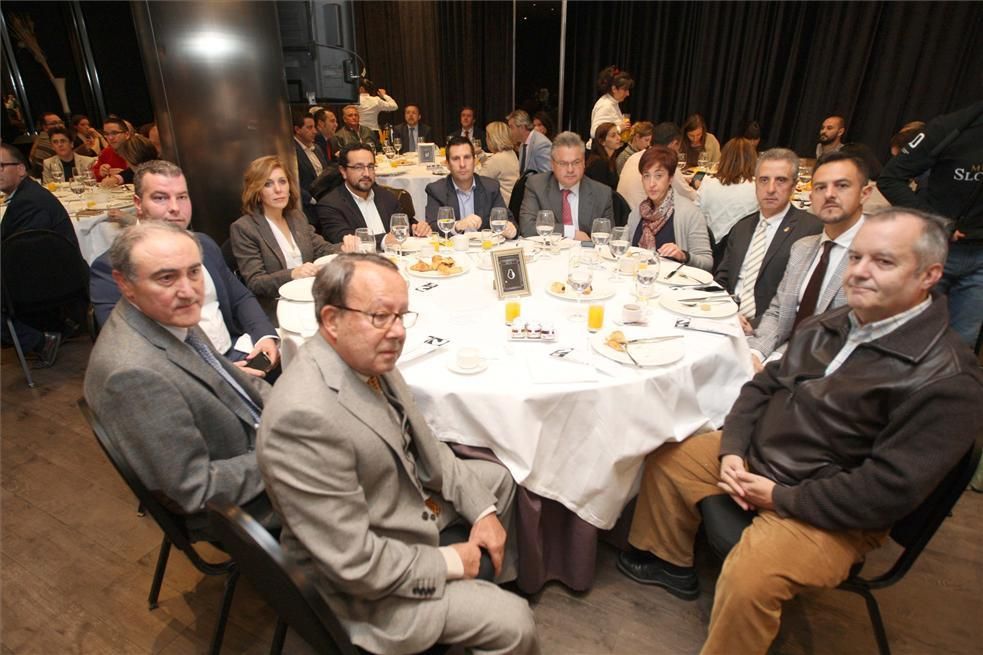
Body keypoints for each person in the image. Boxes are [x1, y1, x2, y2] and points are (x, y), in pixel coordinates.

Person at [617, 207, 982, 655]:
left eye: (883, 262)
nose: (859, 273)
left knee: (750, 577)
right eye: (856, 258)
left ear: (930, 276)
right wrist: (733, 449)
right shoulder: (835, 321)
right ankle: (669, 562)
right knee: (669, 457)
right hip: (765, 460)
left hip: (830, 507)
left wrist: (780, 497)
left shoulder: (946, 380)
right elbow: (761, 388)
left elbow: (887, 491)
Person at [257, 253, 539, 655]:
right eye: (380, 316)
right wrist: (453, 562)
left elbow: (430, 448)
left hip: (400, 506)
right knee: (516, 625)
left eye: (402, 316)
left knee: (498, 483)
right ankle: (478, 606)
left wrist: (482, 512)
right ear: (332, 320)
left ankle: (484, 590)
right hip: (366, 591)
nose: (397, 332)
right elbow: (353, 563)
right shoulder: (302, 417)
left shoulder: (368, 354)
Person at [85, 222, 278, 536]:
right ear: (125, 283)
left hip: (252, 445)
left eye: (194, 272)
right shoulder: (132, 374)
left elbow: (233, 381)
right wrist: (283, 455)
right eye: (166, 277)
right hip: (244, 511)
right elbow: (192, 489)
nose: (189, 290)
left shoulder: (165, 315)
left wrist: (288, 414)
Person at [90, 160, 279, 371]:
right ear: (138, 203)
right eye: (160, 198)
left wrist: (264, 335)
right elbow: (128, 351)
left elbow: (240, 298)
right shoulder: (112, 266)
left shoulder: (204, 243)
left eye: (182, 197)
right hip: (185, 374)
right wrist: (222, 377)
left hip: (235, 350)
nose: (174, 208)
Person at [747, 151, 872, 368]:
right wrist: (756, 354)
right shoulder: (803, 248)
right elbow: (778, 312)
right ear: (810, 196)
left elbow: (867, 338)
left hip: (831, 371)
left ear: (865, 193)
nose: (829, 195)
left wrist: (784, 372)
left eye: (842, 185)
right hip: (782, 354)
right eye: (820, 187)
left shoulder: (878, 254)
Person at [878, 100, 983, 349]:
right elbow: (891, 179)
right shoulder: (950, 128)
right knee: (908, 337)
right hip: (937, 251)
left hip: (980, 261)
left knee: (960, 346)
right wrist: (936, 222)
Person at [714, 148, 822, 327]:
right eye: (764, 180)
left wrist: (755, 325)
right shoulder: (742, 227)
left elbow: (802, 301)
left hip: (769, 330)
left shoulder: (810, 229)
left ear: (794, 186)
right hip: (728, 319)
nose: (770, 189)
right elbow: (723, 278)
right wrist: (725, 313)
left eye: (781, 180)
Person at [0, 143, 80, 367]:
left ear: (21, 169)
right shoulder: (26, 195)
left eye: (1, 166)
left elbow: (21, 254)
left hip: (51, 278)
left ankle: (39, 341)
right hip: (47, 271)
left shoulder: (29, 202)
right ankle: (60, 324)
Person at [230, 155, 339, 320]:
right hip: (278, 310)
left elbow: (321, 249)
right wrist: (293, 274)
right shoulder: (244, 228)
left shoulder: (296, 217)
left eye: (282, 181)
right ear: (257, 191)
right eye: (268, 184)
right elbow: (255, 282)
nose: (278, 190)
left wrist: (344, 248)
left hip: (312, 300)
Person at [317, 144, 431, 250]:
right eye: (359, 167)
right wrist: (384, 240)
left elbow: (404, 225)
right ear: (343, 171)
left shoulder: (387, 197)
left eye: (370, 167)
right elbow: (346, 240)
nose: (366, 173)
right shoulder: (330, 204)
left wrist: (417, 228)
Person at [624, 145, 713, 271]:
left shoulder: (689, 213)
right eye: (646, 176)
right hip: (641, 280)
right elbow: (623, 248)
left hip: (674, 284)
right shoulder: (637, 213)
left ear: (670, 179)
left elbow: (707, 262)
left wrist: (683, 255)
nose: (651, 184)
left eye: (658, 176)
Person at [518, 131, 613, 240]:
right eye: (563, 163)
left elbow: (607, 238)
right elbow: (527, 227)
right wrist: (571, 232)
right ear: (552, 165)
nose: (570, 170)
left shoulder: (602, 193)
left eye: (576, 162)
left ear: (584, 163)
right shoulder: (536, 185)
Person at [424, 137, 516, 237]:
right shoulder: (436, 190)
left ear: (475, 161)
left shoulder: (490, 187)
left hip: (484, 249)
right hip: (452, 250)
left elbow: (509, 220)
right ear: (447, 164)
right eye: (456, 159)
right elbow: (432, 227)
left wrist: (511, 231)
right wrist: (457, 226)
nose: (462, 164)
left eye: (467, 157)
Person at [618, 122, 699, 212]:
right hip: (644, 218)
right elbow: (691, 196)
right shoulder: (666, 162)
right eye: (678, 146)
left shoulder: (634, 157)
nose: (678, 151)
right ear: (675, 143)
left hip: (621, 213)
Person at [695, 137, 759, 247]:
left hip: (708, 245)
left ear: (724, 158)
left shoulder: (708, 181)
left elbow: (695, 214)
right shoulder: (758, 188)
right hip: (741, 249)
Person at [480, 121, 520, 205]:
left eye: (487, 137)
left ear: (493, 139)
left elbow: (477, 183)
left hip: (501, 206)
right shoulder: (511, 153)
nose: (486, 140)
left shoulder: (496, 160)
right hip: (512, 202)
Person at [590, 65, 633, 139]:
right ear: (614, 89)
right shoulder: (606, 105)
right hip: (598, 150)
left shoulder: (613, 103)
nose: (628, 94)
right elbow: (594, 132)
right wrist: (619, 128)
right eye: (625, 90)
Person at [507, 109, 551, 175]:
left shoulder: (541, 144)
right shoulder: (523, 144)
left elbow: (548, 176)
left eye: (511, 127)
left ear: (521, 127)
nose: (509, 131)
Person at [584, 122, 621, 190]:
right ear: (602, 142)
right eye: (613, 136)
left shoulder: (610, 160)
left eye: (618, 134)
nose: (619, 138)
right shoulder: (598, 163)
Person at [92, 116, 130, 182]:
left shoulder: (136, 150)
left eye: (114, 133)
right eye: (106, 134)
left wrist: (123, 175)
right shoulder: (106, 152)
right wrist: (100, 173)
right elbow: (91, 175)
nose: (110, 138)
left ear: (127, 135)